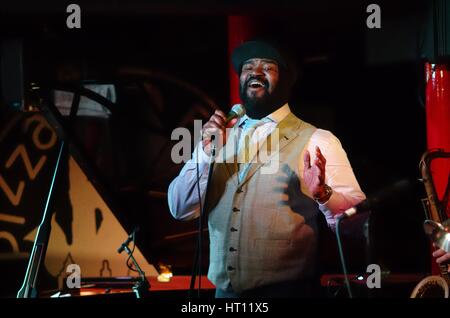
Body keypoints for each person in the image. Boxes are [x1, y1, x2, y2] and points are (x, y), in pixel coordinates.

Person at [167, 40, 366, 297]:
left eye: (267, 67)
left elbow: (357, 224)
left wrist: (324, 194)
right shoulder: (217, 137)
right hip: (225, 294)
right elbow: (179, 208)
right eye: (248, 67)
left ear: (286, 80)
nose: (255, 72)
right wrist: (205, 152)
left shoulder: (318, 139)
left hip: (289, 292)